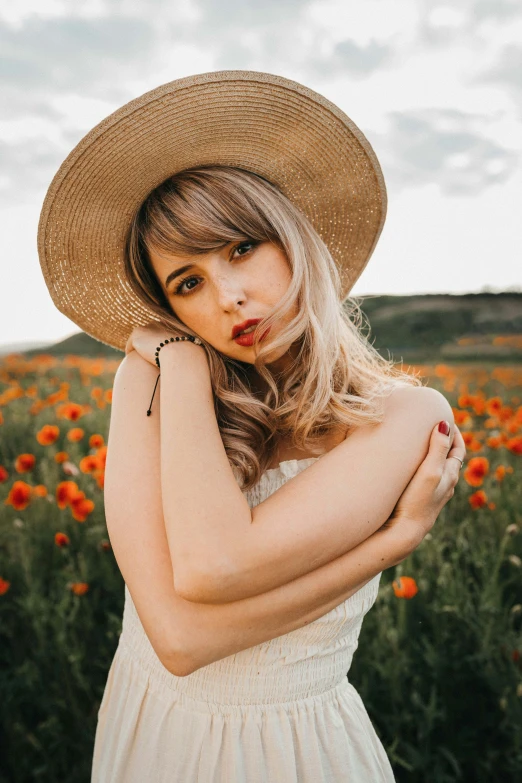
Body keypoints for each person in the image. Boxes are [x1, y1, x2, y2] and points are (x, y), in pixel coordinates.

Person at [37, 71, 466, 782]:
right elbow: (176, 640)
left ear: (294, 239)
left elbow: (215, 565)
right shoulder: (152, 376)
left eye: (240, 248)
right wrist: (395, 541)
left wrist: (396, 539)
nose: (228, 297)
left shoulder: (408, 417)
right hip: (153, 736)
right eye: (187, 284)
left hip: (298, 751)